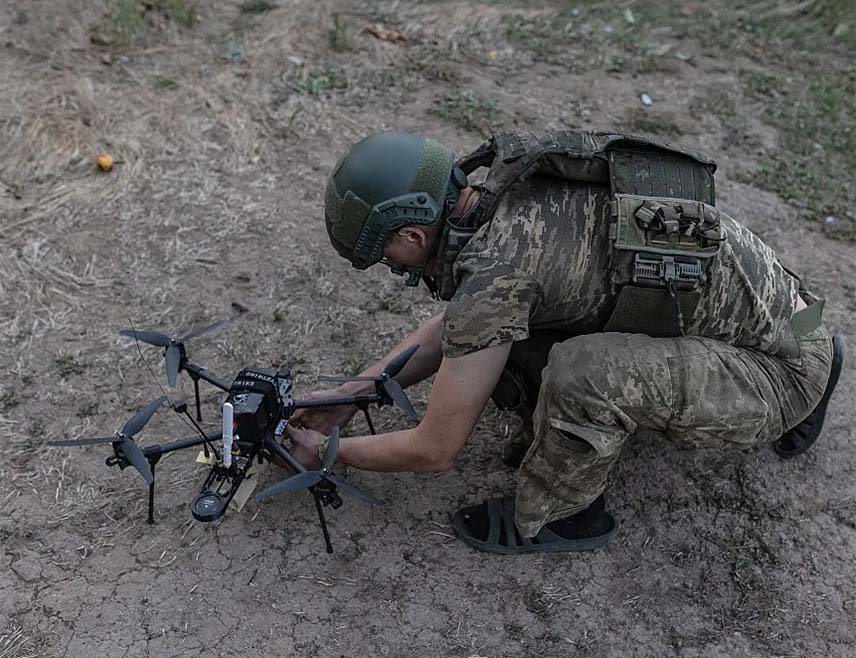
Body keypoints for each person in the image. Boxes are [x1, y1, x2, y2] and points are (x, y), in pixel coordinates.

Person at [286, 130, 844, 554]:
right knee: (521, 342)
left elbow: (436, 448)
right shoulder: (506, 188)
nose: (389, 265)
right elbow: (460, 326)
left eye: (385, 253)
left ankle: (563, 514)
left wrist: (332, 454)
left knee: (580, 372)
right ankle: (825, 355)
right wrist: (355, 395)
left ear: (411, 234)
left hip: (778, 366)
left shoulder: (496, 273)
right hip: (798, 313)